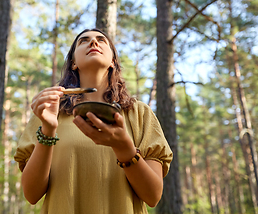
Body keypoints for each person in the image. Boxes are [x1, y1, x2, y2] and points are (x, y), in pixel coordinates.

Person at [14, 28, 173, 214]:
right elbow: (32, 194)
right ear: (73, 63)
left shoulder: (139, 113)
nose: (93, 43)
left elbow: (153, 196)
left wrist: (125, 149)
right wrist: (48, 129)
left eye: (100, 40)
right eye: (84, 41)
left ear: (113, 61)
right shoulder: (49, 112)